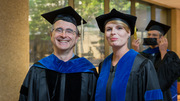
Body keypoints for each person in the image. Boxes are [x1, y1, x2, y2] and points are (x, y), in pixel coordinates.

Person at [19, 6, 98, 101]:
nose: (63, 35)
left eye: (69, 31)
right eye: (59, 30)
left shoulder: (88, 71)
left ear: (76, 37)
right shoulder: (37, 70)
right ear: (51, 34)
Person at [95, 9, 163, 101]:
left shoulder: (143, 64)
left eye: (119, 28)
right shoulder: (103, 65)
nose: (113, 32)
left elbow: (154, 98)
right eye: (109, 29)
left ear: (129, 33)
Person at [132, 20, 180, 101]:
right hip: (147, 96)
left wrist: (163, 51)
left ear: (161, 38)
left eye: (154, 35)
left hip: (166, 96)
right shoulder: (143, 54)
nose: (150, 37)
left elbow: (167, 77)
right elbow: (136, 73)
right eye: (149, 34)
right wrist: (135, 52)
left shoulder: (171, 55)